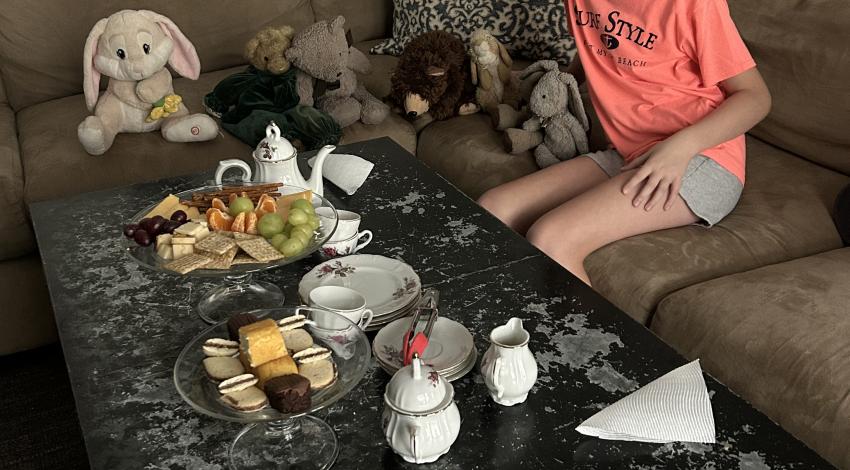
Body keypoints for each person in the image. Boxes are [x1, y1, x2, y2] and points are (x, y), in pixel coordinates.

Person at [478, 0, 772, 286]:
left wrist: (680, 148)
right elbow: (600, 43)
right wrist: (559, 83)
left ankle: (590, 338)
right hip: (629, 153)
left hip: (701, 159)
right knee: (492, 210)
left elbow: (756, 97)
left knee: (550, 239)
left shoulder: (695, 4)